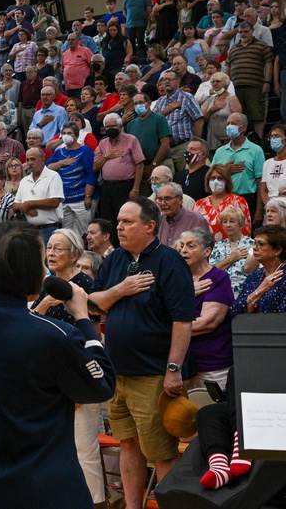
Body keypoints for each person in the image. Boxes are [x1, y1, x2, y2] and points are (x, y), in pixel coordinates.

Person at [0, 221, 115, 509]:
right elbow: (102, 385)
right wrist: (83, 320)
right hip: (48, 488)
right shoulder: (56, 335)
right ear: (32, 272)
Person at [88, 199, 195, 509]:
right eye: (118, 221)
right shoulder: (114, 260)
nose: (118, 227)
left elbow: (183, 320)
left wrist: (173, 369)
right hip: (117, 372)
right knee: (128, 445)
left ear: (150, 226)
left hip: (153, 376)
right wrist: (121, 289)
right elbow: (94, 304)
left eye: (127, 222)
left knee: (162, 452)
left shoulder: (170, 262)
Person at [30, 228, 107, 508]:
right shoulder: (48, 285)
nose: (51, 253)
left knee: (84, 447)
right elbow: (31, 322)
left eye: (58, 248)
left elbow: (91, 335)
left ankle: (95, 502)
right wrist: (46, 304)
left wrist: (78, 383)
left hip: (77, 374)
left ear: (74, 253)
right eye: (49, 247)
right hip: (46, 378)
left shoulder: (83, 285)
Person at [177, 228, 234, 392]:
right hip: (178, 365)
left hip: (212, 364)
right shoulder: (176, 278)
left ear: (207, 251)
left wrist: (164, 328)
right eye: (181, 246)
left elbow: (207, 322)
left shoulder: (219, 278)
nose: (183, 250)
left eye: (190, 246)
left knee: (209, 413)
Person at [94, 113, 146, 222]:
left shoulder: (131, 140)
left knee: (125, 218)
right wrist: (107, 156)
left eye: (113, 126)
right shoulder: (103, 143)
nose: (110, 129)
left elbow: (139, 164)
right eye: (108, 127)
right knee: (107, 219)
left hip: (125, 186)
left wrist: (135, 188)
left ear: (120, 126)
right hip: (107, 187)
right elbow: (95, 167)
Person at [48, 122, 96, 238]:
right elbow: (47, 167)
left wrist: (87, 196)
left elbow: (91, 173)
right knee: (68, 234)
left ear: (76, 135)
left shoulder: (85, 150)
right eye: (64, 133)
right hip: (65, 199)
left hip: (81, 200)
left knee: (85, 232)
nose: (66, 135)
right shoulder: (59, 152)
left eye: (69, 133)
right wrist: (62, 163)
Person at [12, 148, 64, 242]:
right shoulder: (24, 181)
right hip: (29, 230)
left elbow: (54, 202)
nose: (29, 163)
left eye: (33, 159)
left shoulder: (53, 176)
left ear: (43, 159)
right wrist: (24, 207)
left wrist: (29, 204)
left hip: (49, 229)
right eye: (27, 160)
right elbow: (15, 204)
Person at [232, 225, 286, 315]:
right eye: (254, 243)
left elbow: (281, 317)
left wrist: (250, 302)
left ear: (277, 250)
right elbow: (234, 310)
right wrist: (260, 290)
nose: (254, 248)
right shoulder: (254, 276)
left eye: (261, 244)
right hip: (247, 327)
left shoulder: (283, 276)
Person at [193, 163, 252, 242]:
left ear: (227, 181)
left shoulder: (237, 201)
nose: (216, 181)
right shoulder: (199, 203)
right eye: (213, 178)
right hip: (202, 249)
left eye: (220, 178)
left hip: (230, 250)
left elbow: (245, 230)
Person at [208, 206, 254, 298]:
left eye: (232, 221)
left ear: (241, 224)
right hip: (218, 291)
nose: (228, 225)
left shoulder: (252, 244)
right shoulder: (218, 246)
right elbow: (210, 273)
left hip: (244, 292)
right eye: (225, 222)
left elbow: (252, 271)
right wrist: (231, 258)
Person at [156, 183, 209, 247]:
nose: (163, 203)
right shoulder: (158, 220)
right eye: (160, 199)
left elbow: (204, 249)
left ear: (180, 199)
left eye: (168, 199)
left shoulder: (196, 220)